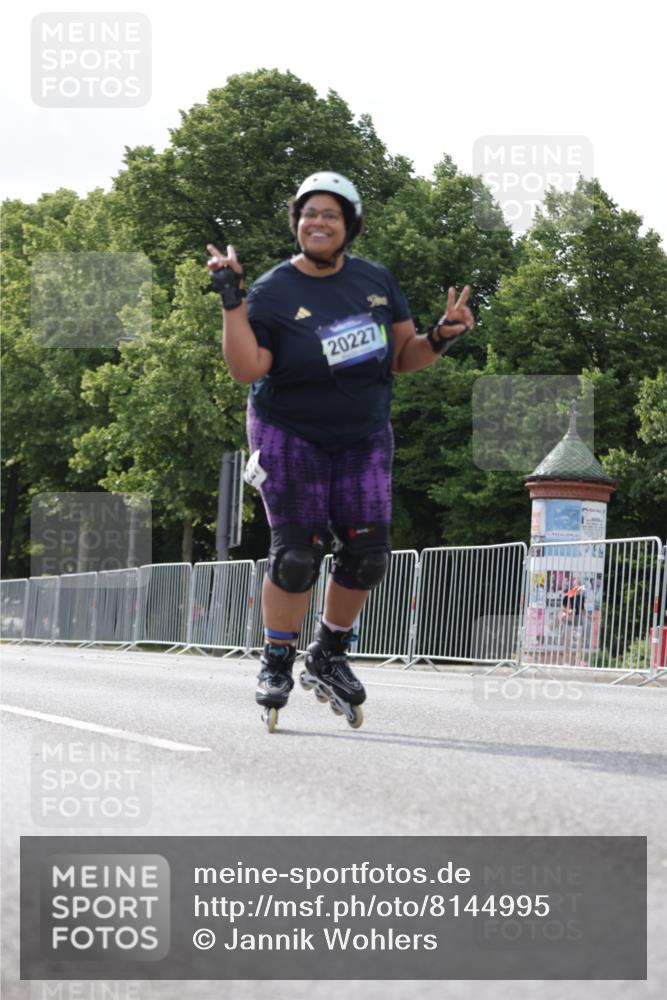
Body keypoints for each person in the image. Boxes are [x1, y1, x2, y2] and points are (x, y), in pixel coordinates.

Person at [207, 170, 474, 730]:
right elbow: (245, 369)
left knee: (369, 554)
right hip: (289, 429)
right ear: (297, 224)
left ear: (348, 225)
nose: (317, 222)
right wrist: (232, 300)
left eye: (329, 214)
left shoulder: (376, 282)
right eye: (308, 213)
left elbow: (405, 356)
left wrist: (443, 336)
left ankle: (328, 652)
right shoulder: (275, 289)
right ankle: (278, 658)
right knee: (297, 554)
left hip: (363, 433)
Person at [560, 576, 587, 665]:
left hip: (579, 622)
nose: (578, 587)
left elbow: (582, 610)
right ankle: (566, 662)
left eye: (579, 585)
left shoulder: (582, 598)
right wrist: (569, 611)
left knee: (580, 643)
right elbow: (562, 609)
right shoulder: (567, 596)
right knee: (567, 643)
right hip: (569, 622)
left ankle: (578, 662)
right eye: (576, 585)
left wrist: (590, 617)